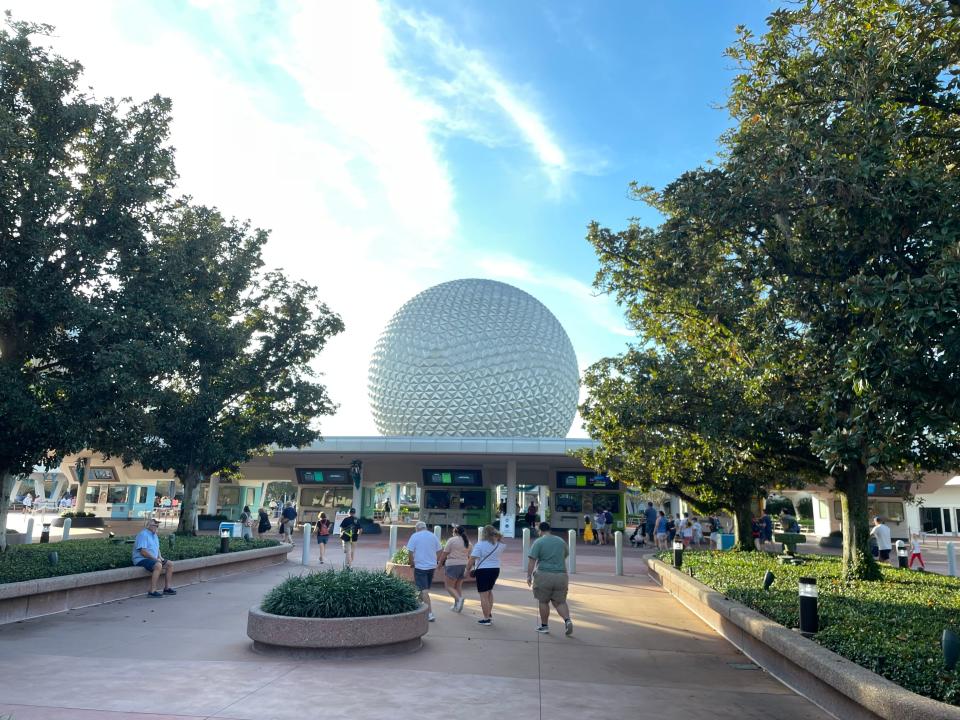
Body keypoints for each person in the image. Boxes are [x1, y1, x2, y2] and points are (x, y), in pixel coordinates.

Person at [527, 521, 574, 636]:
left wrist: (529, 575)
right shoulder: (560, 541)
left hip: (544, 575)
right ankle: (567, 620)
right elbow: (565, 554)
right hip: (561, 576)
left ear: (540, 530)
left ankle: (544, 626)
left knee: (543, 601)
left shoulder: (539, 542)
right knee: (560, 602)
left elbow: (532, 560)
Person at [465, 525, 506, 626]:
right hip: (495, 569)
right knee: (489, 592)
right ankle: (489, 613)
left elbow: (472, 559)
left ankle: (486, 618)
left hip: (483, 570)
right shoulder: (500, 545)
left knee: (483, 595)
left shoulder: (480, 545)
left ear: (484, 533)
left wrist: (467, 569)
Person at [407, 521, 442, 622]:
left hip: (420, 567)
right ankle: (419, 609)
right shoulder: (433, 536)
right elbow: (440, 550)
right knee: (422, 589)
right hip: (431, 567)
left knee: (424, 591)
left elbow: (410, 551)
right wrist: (435, 561)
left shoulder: (415, 536)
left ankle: (429, 613)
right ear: (425, 527)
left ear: (417, 528)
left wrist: (411, 563)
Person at [132, 518, 176, 598]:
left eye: (157, 525)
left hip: (152, 559)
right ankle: (152, 591)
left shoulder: (154, 535)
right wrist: (156, 560)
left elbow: (157, 548)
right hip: (140, 559)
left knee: (170, 564)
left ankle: (167, 588)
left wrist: (160, 557)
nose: (156, 527)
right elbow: (143, 552)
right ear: (148, 526)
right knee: (158, 565)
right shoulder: (143, 534)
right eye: (154, 525)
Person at [439, 524, 470, 612]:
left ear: (455, 532)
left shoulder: (452, 540)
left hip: (452, 565)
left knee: (448, 586)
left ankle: (459, 599)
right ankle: (457, 605)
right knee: (458, 586)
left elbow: (444, 554)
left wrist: (439, 564)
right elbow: (470, 554)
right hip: (464, 565)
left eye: (453, 531)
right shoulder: (467, 541)